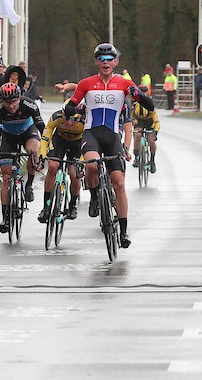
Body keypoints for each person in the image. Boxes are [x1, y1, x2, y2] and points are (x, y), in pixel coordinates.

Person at [63, 42, 155, 248]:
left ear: (116, 62)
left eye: (109, 60)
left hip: (113, 136)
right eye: (101, 60)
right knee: (92, 165)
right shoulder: (86, 83)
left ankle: (123, 231)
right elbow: (72, 105)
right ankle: (95, 196)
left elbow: (148, 104)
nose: (105, 63)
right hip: (91, 133)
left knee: (119, 184)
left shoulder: (124, 83)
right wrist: (71, 108)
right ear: (96, 62)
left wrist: (140, 97)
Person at [0, 82, 45, 233]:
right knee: (6, 176)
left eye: (14, 102)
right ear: (2, 101)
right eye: (7, 103)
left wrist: (47, 148)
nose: (10, 106)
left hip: (27, 132)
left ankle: (29, 184)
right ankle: (5, 218)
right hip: (8, 136)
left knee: (33, 150)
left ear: (19, 98)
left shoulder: (29, 104)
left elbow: (41, 127)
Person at [37, 101, 86, 223]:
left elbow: (88, 144)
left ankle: (72, 205)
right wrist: (42, 154)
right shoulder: (56, 117)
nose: (69, 122)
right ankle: (46, 206)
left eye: (73, 119)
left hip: (78, 143)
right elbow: (45, 137)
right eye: (66, 118)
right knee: (53, 166)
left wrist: (81, 162)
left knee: (74, 174)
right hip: (60, 141)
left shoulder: (86, 121)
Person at [131, 85, 160, 173]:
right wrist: (133, 123)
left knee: (151, 140)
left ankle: (152, 160)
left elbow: (157, 123)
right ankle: (136, 157)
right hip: (139, 121)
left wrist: (155, 132)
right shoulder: (135, 104)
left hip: (149, 122)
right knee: (137, 135)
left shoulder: (151, 108)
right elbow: (131, 117)